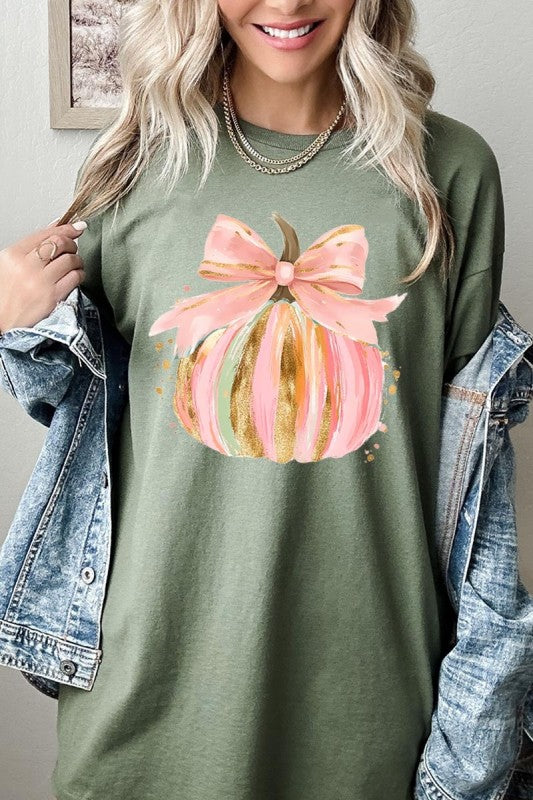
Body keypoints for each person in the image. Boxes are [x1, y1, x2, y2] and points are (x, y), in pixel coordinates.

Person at [0, 1, 506, 798]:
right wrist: (17, 326)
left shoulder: (446, 171)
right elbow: (77, 424)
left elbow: (476, 485)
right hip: (148, 694)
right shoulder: (131, 165)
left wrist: (479, 723)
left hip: (369, 702)